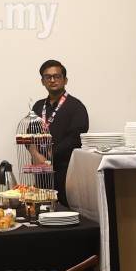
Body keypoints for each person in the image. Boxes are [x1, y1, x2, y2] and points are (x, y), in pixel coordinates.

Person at [33, 59, 90, 205]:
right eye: (48, 77)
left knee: (66, 209)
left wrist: (51, 155)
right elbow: (29, 135)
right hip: (42, 171)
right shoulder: (38, 106)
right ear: (42, 81)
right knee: (42, 207)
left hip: (66, 170)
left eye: (57, 76)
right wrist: (35, 154)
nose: (52, 80)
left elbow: (76, 138)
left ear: (65, 80)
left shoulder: (76, 107)